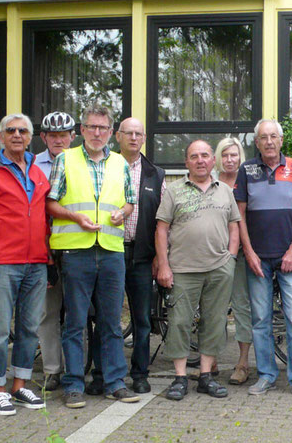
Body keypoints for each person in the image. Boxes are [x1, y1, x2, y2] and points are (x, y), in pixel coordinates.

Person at [46, 105, 138, 409]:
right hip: (76, 251)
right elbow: (51, 204)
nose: (97, 133)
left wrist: (121, 213)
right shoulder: (65, 160)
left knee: (111, 322)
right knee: (75, 322)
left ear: (111, 132)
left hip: (111, 252)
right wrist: (76, 218)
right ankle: (74, 385)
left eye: (103, 128)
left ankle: (115, 383)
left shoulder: (120, 164)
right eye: (91, 127)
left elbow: (129, 203)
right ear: (82, 130)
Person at [0, 114, 50, 416]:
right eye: (11, 130)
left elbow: (44, 220)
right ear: (0, 136)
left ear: (31, 137)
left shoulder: (39, 173)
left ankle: (20, 385)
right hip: (1, 263)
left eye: (23, 131)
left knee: (29, 329)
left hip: (36, 263)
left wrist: (48, 259)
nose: (17, 135)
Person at [234, 119, 292, 397]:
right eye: (263, 137)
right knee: (260, 319)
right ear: (256, 142)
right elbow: (240, 215)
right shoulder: (246, 170)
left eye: (273, 136)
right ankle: (267, 375)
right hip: (257, 258)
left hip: (290, 258)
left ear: (281, 140)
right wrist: (248, 252)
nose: (269, 142)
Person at [155, 140, 241, 401]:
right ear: (187, 162)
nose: (201, 160)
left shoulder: (225, 191)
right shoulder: (173, 191)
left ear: (212, 160)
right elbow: (161, 229)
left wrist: (231, 258)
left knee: (214, 322)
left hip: (218, 268)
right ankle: (180, 378)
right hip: (182, 269)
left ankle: (206, 376)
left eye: (205, 155)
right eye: (194, 156)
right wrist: (164, 265)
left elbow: (234, 225)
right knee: (180, 322)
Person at [113, 117, 165, 394]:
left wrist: (159, 257)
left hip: (142, 256)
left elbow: (162, 220)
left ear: (144, 138)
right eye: (128, 133)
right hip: (109, 253)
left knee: (142, 319)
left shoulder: (155, 174)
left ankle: (140, 373)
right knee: (108, 318)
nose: (133, 138)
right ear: (118, 137)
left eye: (138, 134)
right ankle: (105, 373)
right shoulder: (106, 166)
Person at [34, 111, 76, 392]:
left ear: (73, 136)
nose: (59, 140)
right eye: (53, 135)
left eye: (64, 135)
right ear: (44, 137)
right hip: (42, 246)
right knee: (48, 312)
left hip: (75, 246)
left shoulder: (83, 162)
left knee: (78, 311)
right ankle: (52, 370)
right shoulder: (33, 165)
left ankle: (76, 367)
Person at [215, 137, 253, 385]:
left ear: (241, 157)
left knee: (241, 307)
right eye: (225, 155)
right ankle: (211, 361)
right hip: (214, 253)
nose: (230, 159)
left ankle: (242, 362)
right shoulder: (211, 182)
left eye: (234, 155)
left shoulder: (246, 181)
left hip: (239, 255)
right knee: (213, 309)